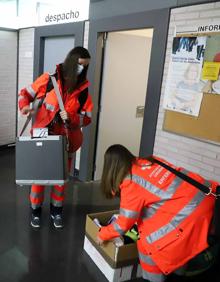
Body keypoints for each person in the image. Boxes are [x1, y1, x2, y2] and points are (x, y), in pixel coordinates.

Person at [96, 144, 218, 282]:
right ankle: (178, 272)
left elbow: (123, 224)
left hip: (190, 215)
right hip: (206, 199)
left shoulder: (131, 182)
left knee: (149, 242)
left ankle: (152, 279)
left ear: (110, 168)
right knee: (179, 248)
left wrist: (103, 234)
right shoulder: (152, 161)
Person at [18, 46, 93, 229]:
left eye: (86, 66)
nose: (82, 69)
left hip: (65, 141)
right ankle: (35, 211)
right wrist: (25, 107)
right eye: (80, 64)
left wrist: (73, 117)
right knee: (39, 178)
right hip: (42, 139)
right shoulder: (48, 80)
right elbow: (25, 94)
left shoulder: (83, 91)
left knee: (60, 180)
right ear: (71, 61)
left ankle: (56, 211)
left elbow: (88, 117)